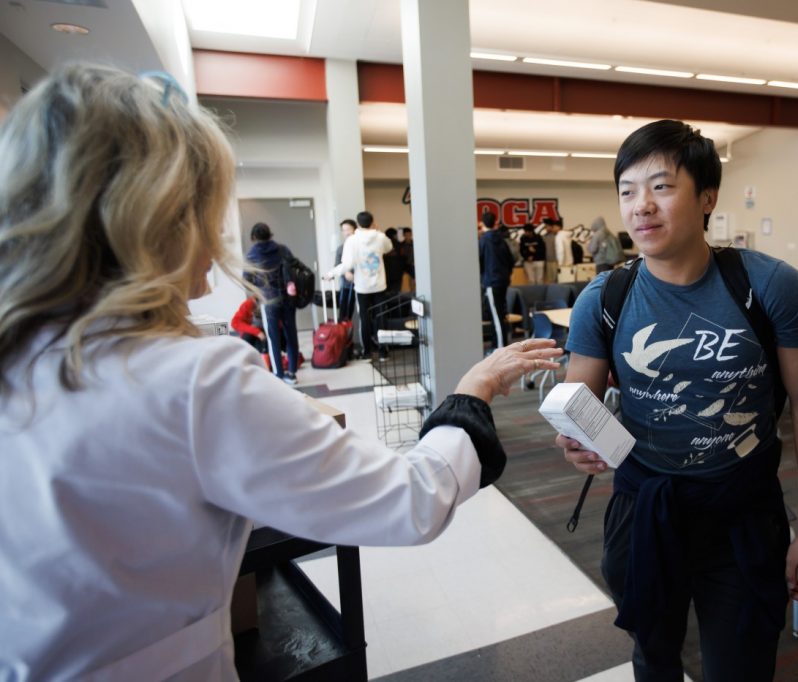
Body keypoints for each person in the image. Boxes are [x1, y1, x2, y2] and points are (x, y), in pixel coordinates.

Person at [0, 63, 563, 680]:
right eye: (205, 214)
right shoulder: (192, 382)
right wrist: (472, 392)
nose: (218, 245)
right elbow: (409, 501)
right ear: (153, 218)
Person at [557, 119, 798, 681]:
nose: (642, 206)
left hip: (741, 509)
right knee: (653, 657)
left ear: (708, 196)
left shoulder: (772, 287)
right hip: (645, 508)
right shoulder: (605, 297)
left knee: (740, 664)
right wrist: (574, 440)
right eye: (628, 190)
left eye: (662, 187)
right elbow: (578, 403)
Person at [327, 210, 393, 358]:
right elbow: (389, 248)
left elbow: (347, 264)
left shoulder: (352, 240)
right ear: (372, 222)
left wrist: (331, 273)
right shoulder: (380, 237)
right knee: (381, 317)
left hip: (362, 287)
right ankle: (383, 352)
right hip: (380, 285)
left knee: (364, 319)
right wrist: (378, 231)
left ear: (357, 224)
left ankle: (367, 352)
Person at [245, 222, 300, 385]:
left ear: (254, 237)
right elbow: (295, 268)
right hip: (288, 298)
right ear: (270, 234)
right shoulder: (282, 249)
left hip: (268, 300)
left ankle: (279, 374)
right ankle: (292, 373)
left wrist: (258, 291)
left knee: (273, 338)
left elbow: (246, 279)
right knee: (291, 335)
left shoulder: (252, 255)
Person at [479, 211, 515, 348]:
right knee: (499, 314)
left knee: (496, 317)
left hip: (491, 282)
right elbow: (511, 260)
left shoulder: (483, 240)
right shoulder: (502, 240)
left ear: (482, 224)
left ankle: (500, 348)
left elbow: (479, 261)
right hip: (502, 281)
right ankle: (498, 345)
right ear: (495, 222)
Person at [334, 218, 357, 319]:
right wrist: (346, 272)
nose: (346, 232)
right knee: (345, 312)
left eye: (349, 229)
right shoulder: (341, 248)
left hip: (363, 284)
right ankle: (344, 333)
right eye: (344, 230)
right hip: (347, 285)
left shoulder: (361, 245)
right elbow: (337, 265)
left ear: (355, 229)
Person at [383, 227, 405, 296]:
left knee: (386, 292)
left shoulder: (383, 244)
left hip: (386, 272)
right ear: (394, 235)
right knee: (396, 292)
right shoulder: (398, 244)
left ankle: (388, 306)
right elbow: (403, 256)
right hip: (398, 271)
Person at [542, 218, 560, 283]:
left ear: (551, 226)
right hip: (548, 261)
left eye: (546, 226)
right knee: (550, 280)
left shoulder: (557, 236)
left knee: (557, 279)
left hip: (556, 261)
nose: (545, 228)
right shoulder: (545, 236)